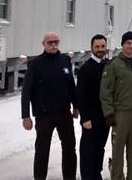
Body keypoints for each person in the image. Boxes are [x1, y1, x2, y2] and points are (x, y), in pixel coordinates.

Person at [21, 31, 78, 180]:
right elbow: (26, 92)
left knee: (69, 149)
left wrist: (76, 106)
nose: (53, 45)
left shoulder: (65, 60)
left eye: (56, 42)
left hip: (64, 113)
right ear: (44, 44)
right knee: (42, 151)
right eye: (50, 42)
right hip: (44, 114)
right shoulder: (35, 64)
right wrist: (26, 116)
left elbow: (71, 85)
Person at [100, 31, 132, 180]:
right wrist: (109, 113)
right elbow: (105, 91)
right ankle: (117, 177)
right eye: (127, 43)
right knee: (118, 151)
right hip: (120, 113)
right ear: (122, 45)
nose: (130, 46)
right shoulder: (114, 64)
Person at [77, 34, 110, 180]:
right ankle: (87, 176)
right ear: (92, 47)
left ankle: (97, 174)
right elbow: (80, 96)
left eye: (102, 46)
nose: (100, 49)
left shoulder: (108, 66)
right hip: (90, 117)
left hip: (105, 116)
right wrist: (85, 118)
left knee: (100, 148)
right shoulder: (85, 68)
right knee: (88, 150)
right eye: (97, 47)